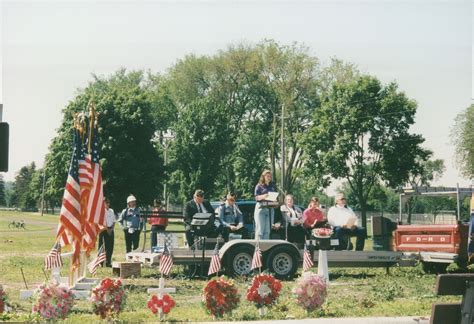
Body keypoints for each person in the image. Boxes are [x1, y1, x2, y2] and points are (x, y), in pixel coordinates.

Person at [254, 170, 278, 240]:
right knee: (260, 230)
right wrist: (263, 196)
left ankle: (265, 248)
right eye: (267, 176)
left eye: (270, 176)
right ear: (263, 177)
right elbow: (256, 197)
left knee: (267, 230)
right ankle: (258, 248)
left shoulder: (272, 186)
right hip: (261, 208)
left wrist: (275, 200)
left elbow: (275, 197)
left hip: (270, 209)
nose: (269, 178)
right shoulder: (259, 186)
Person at [98, 198, 116, 267]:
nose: (107, 204)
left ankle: (108, 262)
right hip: (103, 229)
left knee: (110, 246)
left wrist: (111, 229)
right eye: (105, 203)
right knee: (102, 246)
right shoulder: (101, 211)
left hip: (110, 229)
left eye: (108, 202)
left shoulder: (111, 211)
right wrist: (106, 229)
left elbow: (114, 221)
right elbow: (101, 221)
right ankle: (101, 262)